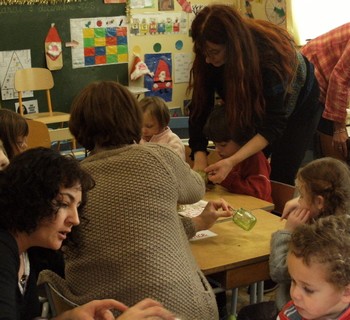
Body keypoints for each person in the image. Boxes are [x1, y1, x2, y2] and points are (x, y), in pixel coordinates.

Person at [39, 80, 232, 320]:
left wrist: (197, 223)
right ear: (134, 119)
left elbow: (121, 234)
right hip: (184, 308)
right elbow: (196, 189)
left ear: (78, 126)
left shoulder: (71, 182)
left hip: (104, 311)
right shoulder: (158, 157)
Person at [0, 147, 176, 320]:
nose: (75, 220)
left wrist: (68, 318)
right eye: (64, 203)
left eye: (76, 207)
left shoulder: (27, 253)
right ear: (30, 197)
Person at [188, 4, 322, 186]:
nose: (207, 59)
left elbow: (273, 122)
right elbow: (200, 107)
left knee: (278, 177)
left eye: (214, 52)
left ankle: (276, 212)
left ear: (233, 45)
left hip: (299, 106)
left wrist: (232, 160)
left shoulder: (268, 56)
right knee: (244, 167)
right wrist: (200, 156)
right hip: (258, 101)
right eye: (204, 52)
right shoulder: (209, 57)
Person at [237, 157, 350, 320]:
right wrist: (303, 201)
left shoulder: (324, 241)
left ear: (319, 201)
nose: (298, 201)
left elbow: (279, 271)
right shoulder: (339, 223)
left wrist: (288, 231)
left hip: (300, 309)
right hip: (301, 309)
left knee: (248, 314)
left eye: (302, 196)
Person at [277, 214, 350, 320]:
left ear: (346, 292)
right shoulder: (291, 315)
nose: (294, 294)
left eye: (308, 289)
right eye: (293, 281)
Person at [203, 104, 272, 202]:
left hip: (258, 212)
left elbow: (260, 193)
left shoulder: (255, 158)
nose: (217, 149)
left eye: (223, 145)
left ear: (241, 139)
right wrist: (211, 179)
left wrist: (226, 179)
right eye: (215, 144)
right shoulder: (227, 155)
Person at [301, 23, 350, 159]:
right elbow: (339, 78)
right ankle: (335, 175)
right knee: (336, 139)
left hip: (325, 77)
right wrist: (339, 128)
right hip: (311, 74)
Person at [139, 96, 185, 160]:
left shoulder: (173, 142)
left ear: (163, 123)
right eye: (140, 126)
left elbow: (176, 167)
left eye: (149, 126)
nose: (143, 131)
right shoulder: (139, 140)